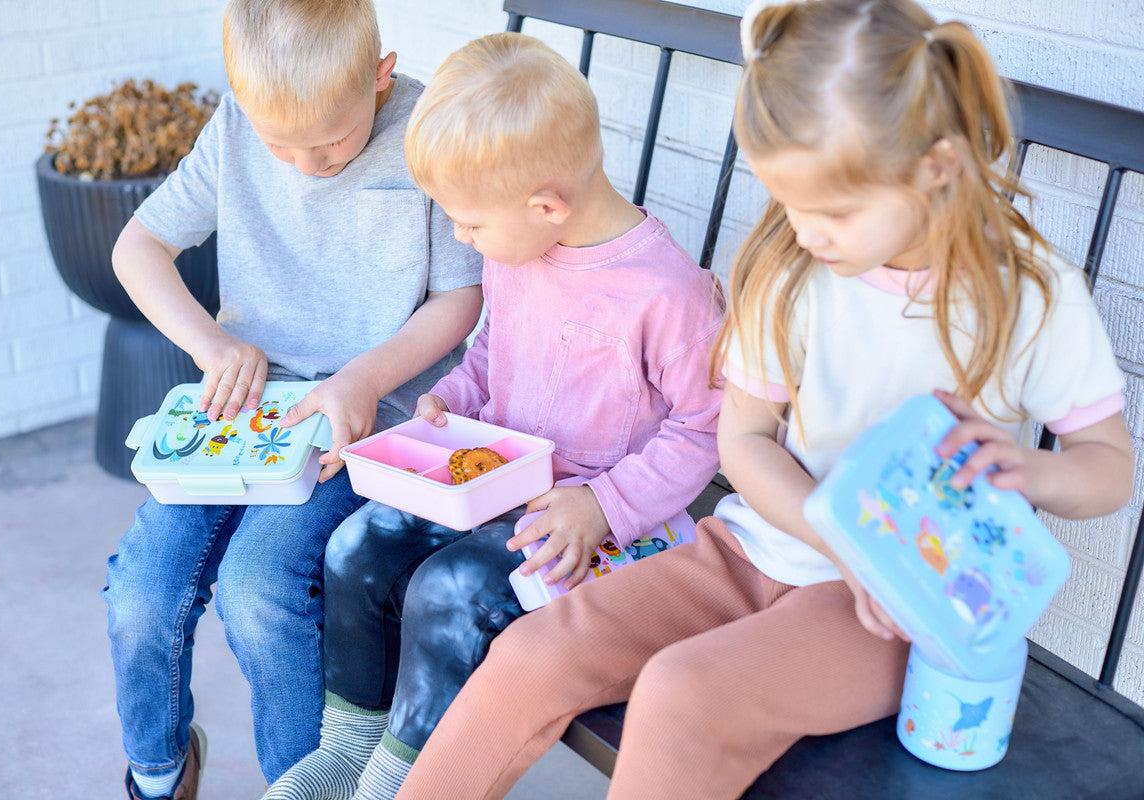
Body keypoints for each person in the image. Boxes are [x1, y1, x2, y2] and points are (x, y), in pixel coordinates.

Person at [393, 1, 1138, 798]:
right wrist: (836, 534)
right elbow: (743, 441)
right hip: (756, 550)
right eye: (790, 201)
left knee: (683, 694)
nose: (806, 230)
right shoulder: (794, 270)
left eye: (834, 210)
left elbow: (1110, 471)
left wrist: (1029, 473)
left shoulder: (1028, 294)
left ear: (937, 165)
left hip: (904, 602)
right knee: (533, 654)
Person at [261, 32, 724, 800]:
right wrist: (458, 401)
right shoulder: (518, 251)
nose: (460, 238)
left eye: (468, 223)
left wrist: (601, 506)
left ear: (545, 205)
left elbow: (702, 429)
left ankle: (405, 778)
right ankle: (348, 750)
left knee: (450, 591)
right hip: (495, 483)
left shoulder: (666, 295)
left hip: (599, 529)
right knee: (356, 547)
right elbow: (491, 354)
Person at [102, 0, 484, 796]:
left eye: (331, 143)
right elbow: (139, 245)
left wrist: (366, 378)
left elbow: (461, 298)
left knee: (259, 589)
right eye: (283, 146)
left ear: (379, 78)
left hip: (360, 421)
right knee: (142, 590)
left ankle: (300, 785)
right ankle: (157, 772)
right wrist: (210, 342)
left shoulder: (423, 131)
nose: (307, 165)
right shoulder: (237, 127)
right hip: (242, 418)